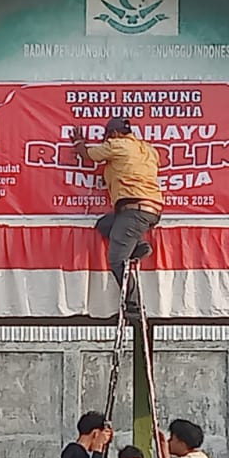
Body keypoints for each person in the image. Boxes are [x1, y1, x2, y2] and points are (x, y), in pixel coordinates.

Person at [70, 116, 162, 320]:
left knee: (116, 258)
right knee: (104, 225)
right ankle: (138, 246)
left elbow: (88, 155)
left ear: (113, 133)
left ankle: (133, 305)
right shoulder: (147, 149)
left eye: (107, 136)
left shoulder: (116, 145)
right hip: (151, 209)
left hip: (133, 209)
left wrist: (78, 142)